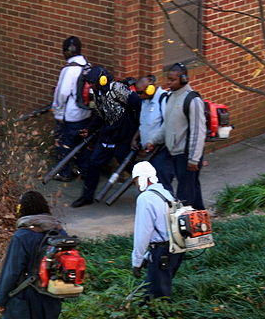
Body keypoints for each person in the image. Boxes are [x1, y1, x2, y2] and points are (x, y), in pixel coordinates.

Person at [0, 191, 64, 319]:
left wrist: (1, 300)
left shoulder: (22, 236)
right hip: (52, 295)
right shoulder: (60, 233)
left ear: (23, 210)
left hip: (23, 298)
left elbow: (11, 271)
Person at [71, 66, 141, 207]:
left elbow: (139, 105)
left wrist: (139, 131)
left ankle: (150, 191)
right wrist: (90, 130)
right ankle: (87, 196)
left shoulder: (118, 89)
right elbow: (100, 115)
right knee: (94, 164)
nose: (91, 86)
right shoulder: (97, 93)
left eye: (92, 83)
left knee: (129, 166)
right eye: (89, 83)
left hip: (125, 134)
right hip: (108, 134)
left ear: (102, 80)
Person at [148, 63, 206, 210]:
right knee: (192, 189)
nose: (168, 82)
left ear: (184, 79)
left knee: (185, 195)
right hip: (173, 151)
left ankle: (185, 225)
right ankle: (200, 217)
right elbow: (167, 125)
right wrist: (153, 140)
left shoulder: (193, 100)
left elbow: (198, 132)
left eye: (172, 79)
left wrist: (194, 158)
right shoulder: (170, 98)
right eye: (168, 79)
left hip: (187, 155)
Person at [131, 160, 184, 299]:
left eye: (136, 181)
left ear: (143, 179)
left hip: (162, 252)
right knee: (156, 289)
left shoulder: (146, 198)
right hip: (176, 248)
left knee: (159, 296)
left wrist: (136, 261)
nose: (136, 186)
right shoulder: (167, 193)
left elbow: (143, 233)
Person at [51, 36, 93, 182]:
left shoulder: (69, 70)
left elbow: (62, 93)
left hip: (71, 115)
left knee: (65, 143)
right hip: (85, 113)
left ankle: (65, 173)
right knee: (82, 144)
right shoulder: (88, 66)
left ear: (66, 52)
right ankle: (84, 170)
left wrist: (57, 110)